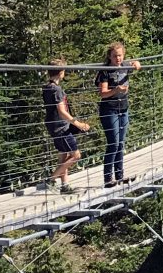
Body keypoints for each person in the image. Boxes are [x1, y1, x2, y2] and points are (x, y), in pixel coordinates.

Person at [96, 43, 142, 187]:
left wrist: (137, 64)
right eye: (115, 56)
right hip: (109, 110)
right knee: (113, 143)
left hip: (124, 109)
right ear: (109, 56)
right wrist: (115, 90)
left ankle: (120, 175)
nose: (118, 58)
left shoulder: (125, 65)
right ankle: (108, 178)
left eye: (120, 55)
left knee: (120, 144)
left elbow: (136, 65)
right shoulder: (105, 71)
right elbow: (102, 94)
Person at [43, 63, 89, 193]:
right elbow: (62, 112)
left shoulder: (47, 87)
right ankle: (51, 179)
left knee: (63, 156)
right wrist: (78, 124)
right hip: (61, 127)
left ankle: (65, 185)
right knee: (76, 155)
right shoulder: (56, 90)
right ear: (61, 72)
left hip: (54, 126)